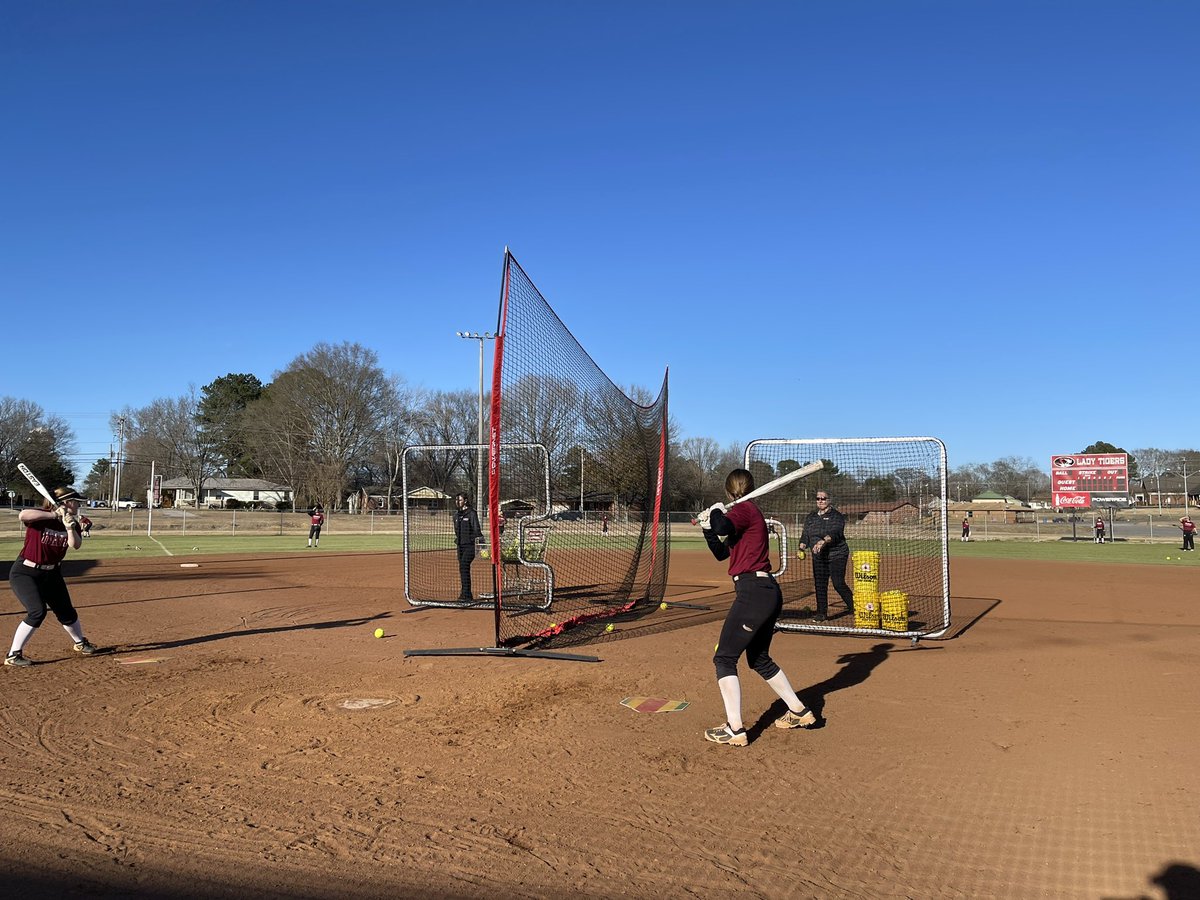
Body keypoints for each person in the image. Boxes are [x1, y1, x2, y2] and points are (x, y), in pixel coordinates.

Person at [698, 468, 816, 747]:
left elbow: (723, 525)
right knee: (759, 659)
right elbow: (721, 551)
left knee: (724, 658)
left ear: (729, 492)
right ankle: (799, 711)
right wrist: (707, 529)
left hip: (754, 592)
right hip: (763, 592)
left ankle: (735, 729)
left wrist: (716, 512)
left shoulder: (745, 509)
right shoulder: (744, 516)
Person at [5, 486, 102, 667]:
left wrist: (69, 527)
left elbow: (76, 545)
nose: (78, 505)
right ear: (66, 502)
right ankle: (13, 654)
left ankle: (80, 643)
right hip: (26, 572)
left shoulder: (70, 521)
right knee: (37, 611)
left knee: (66, 611)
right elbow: (22, 515)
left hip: (52, 573)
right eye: (76, 502)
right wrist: (53, 515)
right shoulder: (42, 517)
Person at [797, 491, 855, 621]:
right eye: (818, 498)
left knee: (838, 583)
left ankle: (854, 606)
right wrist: (802, 545)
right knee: (820, 584)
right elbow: (806, 533)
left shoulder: (836, 516)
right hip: (819, 556)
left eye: (823, 498)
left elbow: (836, 532)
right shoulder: (811, 516)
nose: (820, 501)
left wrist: (823, 541)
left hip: (837, 554)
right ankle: (821, 613)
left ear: (829, 500)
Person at [453, 493, 482, 601]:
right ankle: (466, 594)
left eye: (459, 500)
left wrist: (479, 544)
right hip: (460, 545)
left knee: (464, 565)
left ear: (465, 501)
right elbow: (456, 530)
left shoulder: (471, 513)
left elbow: (477, 529)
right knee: (463, 569)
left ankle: (465, 594)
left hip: (471, 546)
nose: (457, 502)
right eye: (456, 500)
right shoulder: (456, 515)